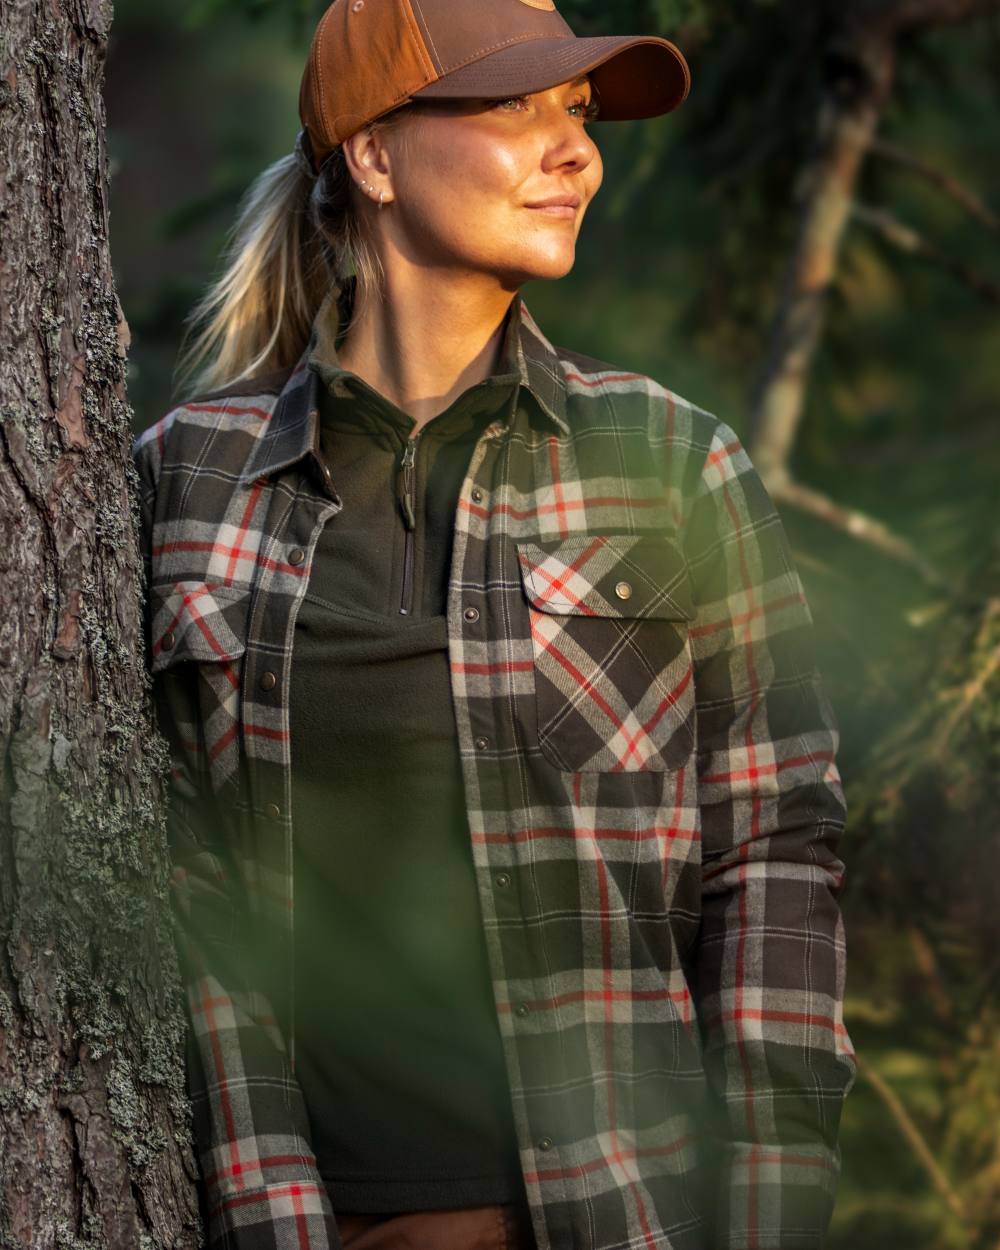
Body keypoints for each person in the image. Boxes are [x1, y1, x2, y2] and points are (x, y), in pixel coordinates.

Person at [131, 1, 857, 1247]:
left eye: (574, 114)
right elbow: (179, 888)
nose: (575, 151)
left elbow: (774, 860)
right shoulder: (186, 481)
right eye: (516, 106)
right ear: (372, 153)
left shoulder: (670, 462)